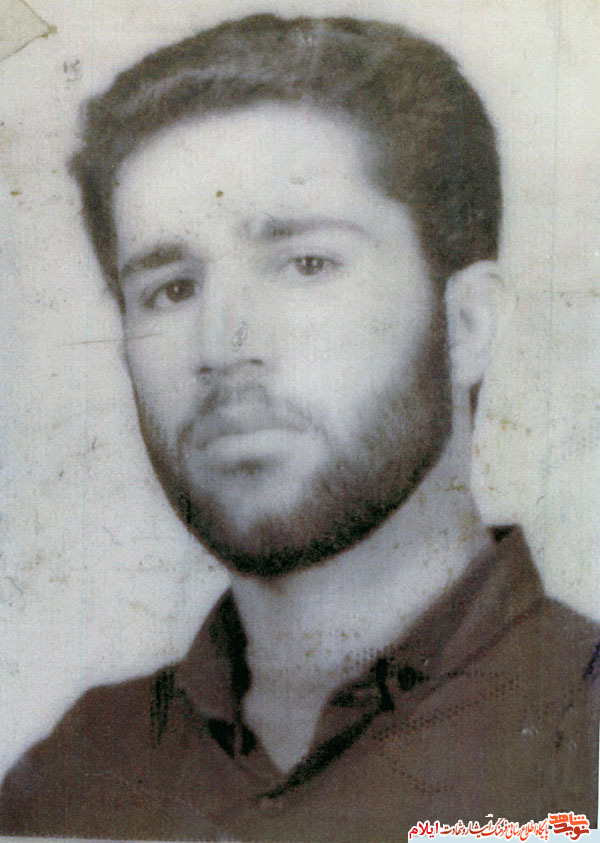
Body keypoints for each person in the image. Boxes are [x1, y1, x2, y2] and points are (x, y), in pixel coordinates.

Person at [1, 13, 598, 841]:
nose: (222, 347)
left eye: (306, 264)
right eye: (171, 289)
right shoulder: (75, 775)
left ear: (466, 323)